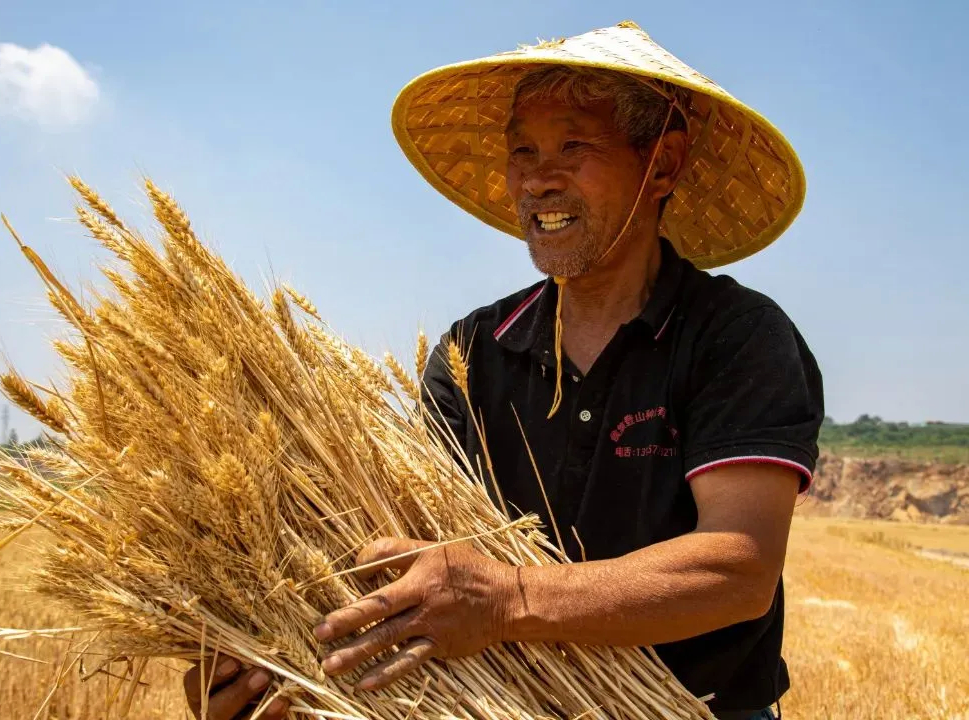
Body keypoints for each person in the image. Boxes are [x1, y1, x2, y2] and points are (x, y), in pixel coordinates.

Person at [184, 21, 822, 720]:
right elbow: (406, 553)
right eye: (523, 151)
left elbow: (736, 570)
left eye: (574, 146)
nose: (538, 180)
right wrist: (267, 649)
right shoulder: (475, 352)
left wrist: (508, 599)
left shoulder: (735, 337)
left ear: (662, 165)